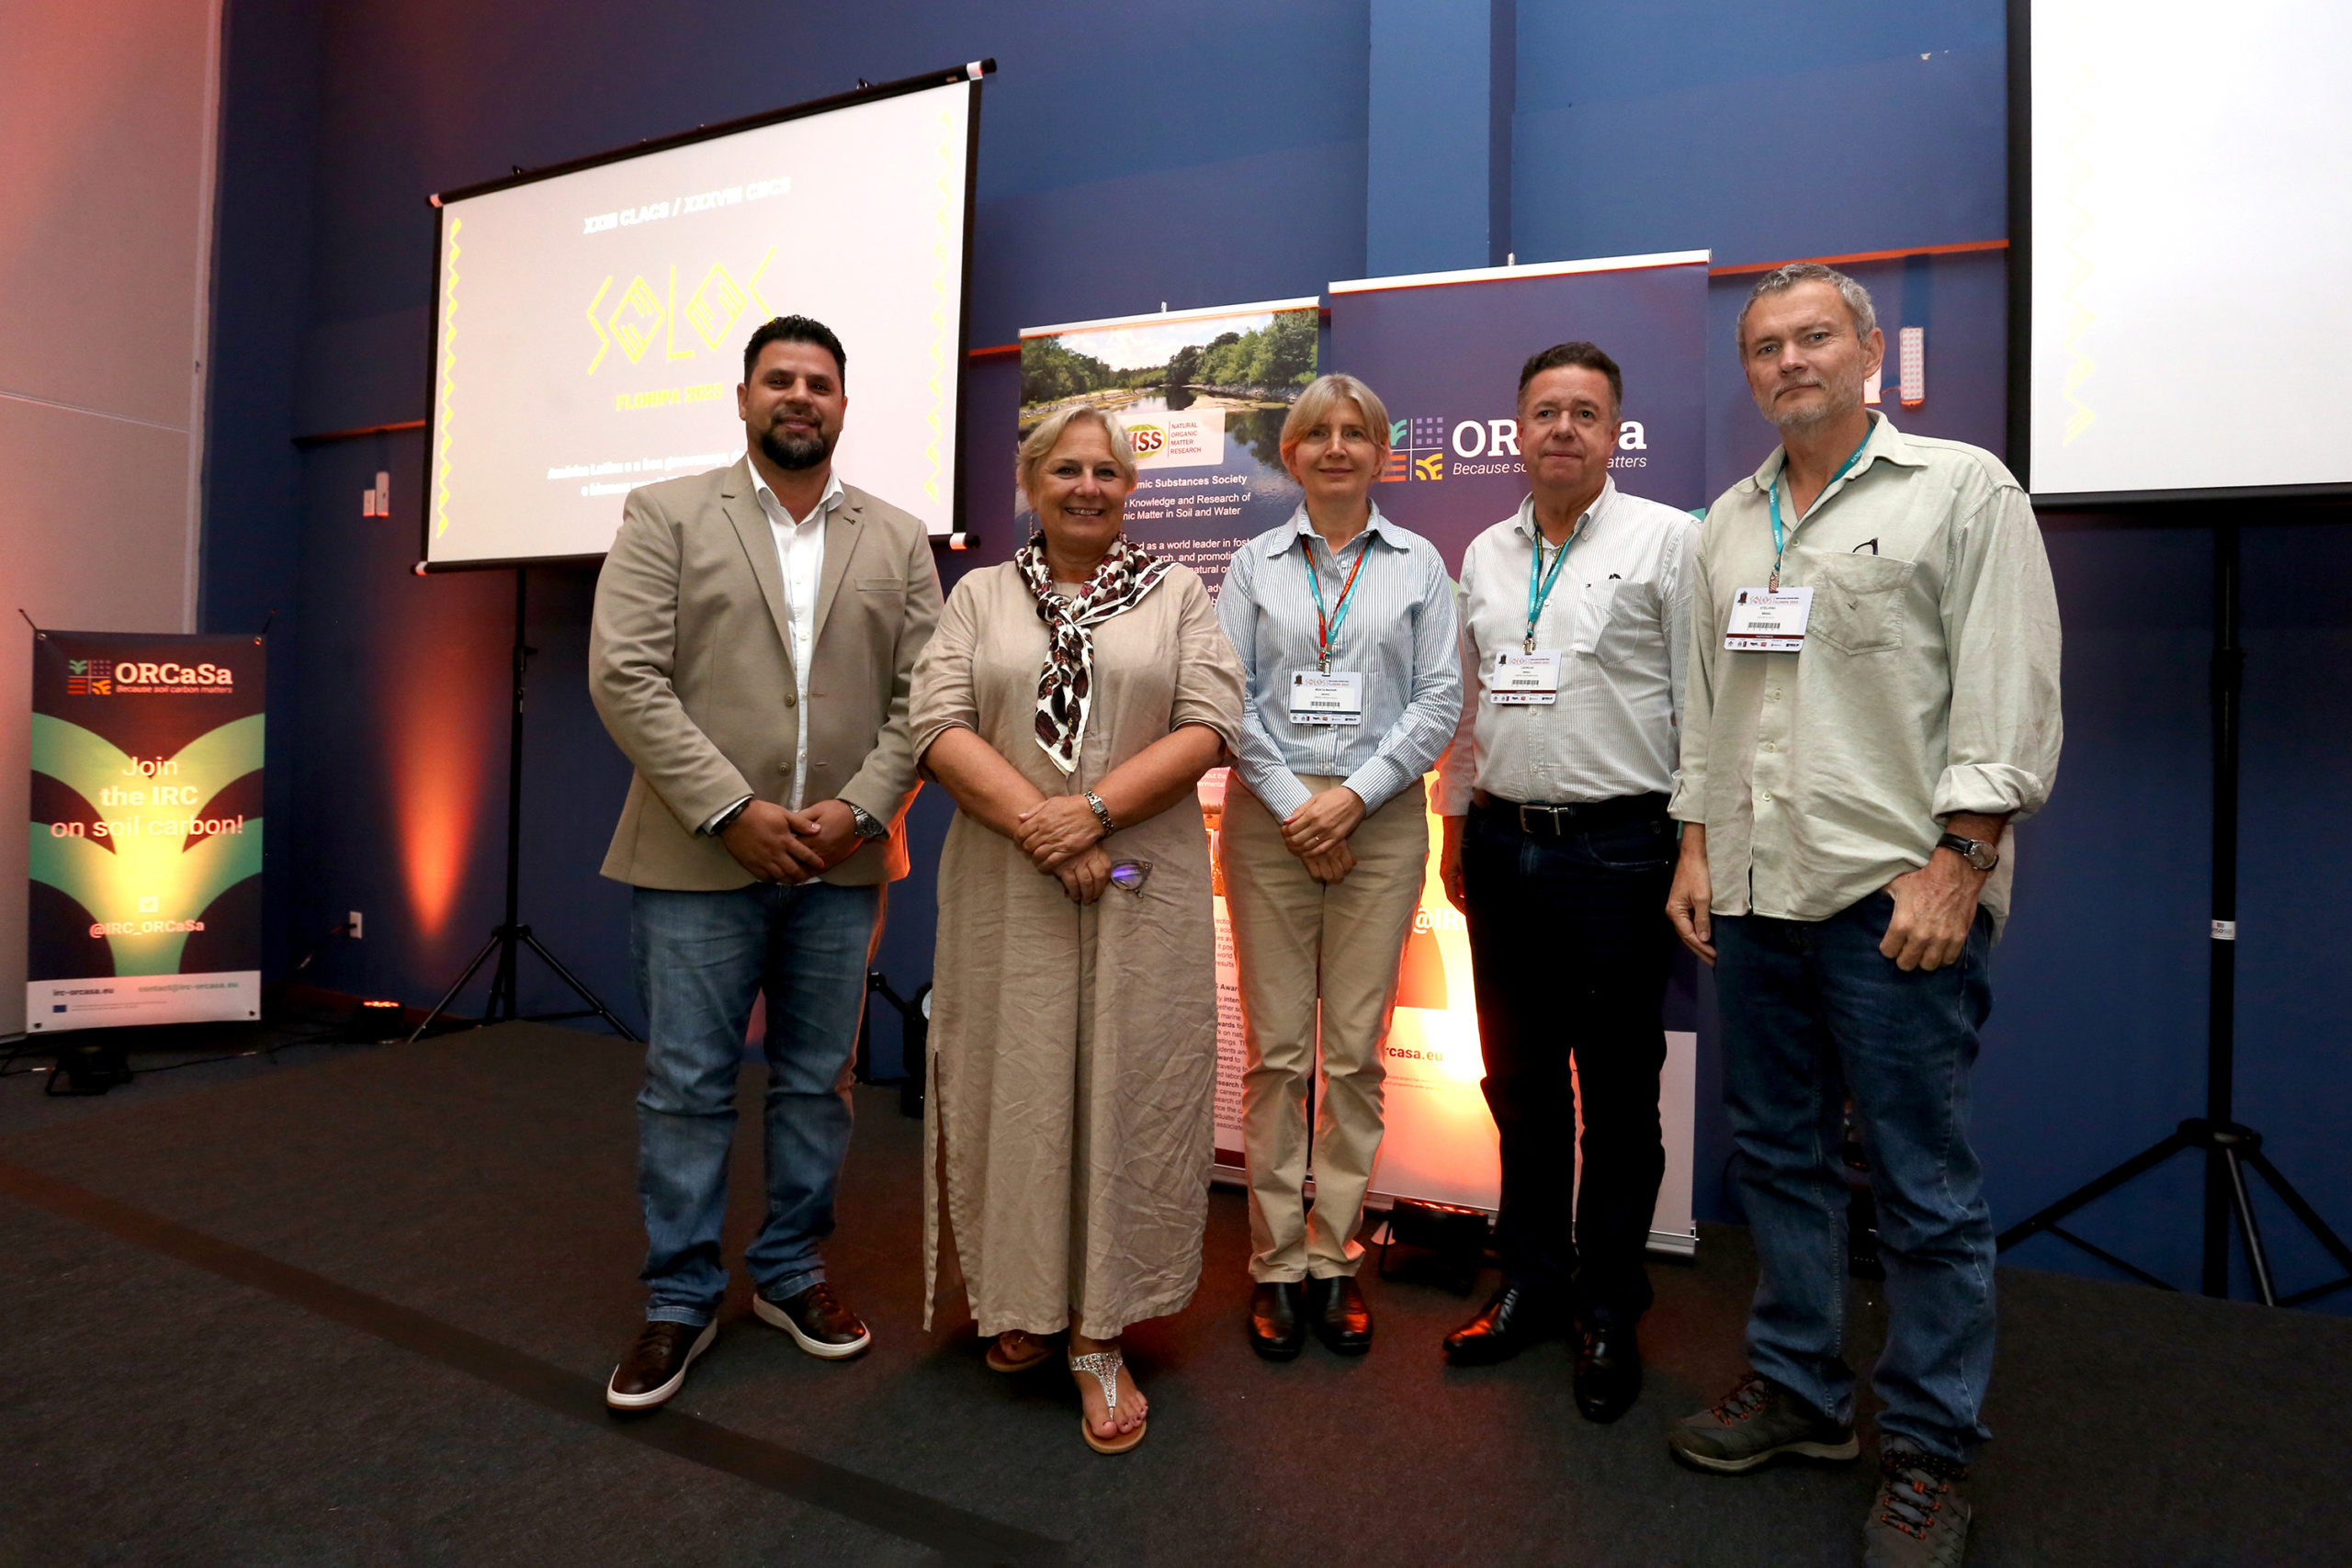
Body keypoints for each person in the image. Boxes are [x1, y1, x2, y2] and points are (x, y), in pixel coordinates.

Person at [1663, 264, 2061, 1567]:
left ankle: (1930, 1451)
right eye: (1764, 344)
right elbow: (1708, 704)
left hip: (1897, 901)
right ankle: (1802, 1390)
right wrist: (1696, 846)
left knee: (1920, 1186)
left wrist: (1962, 862)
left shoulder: (1960, 489)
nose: (1789, 360)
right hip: (1757, 891)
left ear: (1869, 350)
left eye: (1814, 335)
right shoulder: (1727, 524)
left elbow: (2008, 691)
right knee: (1777, 1156)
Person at [589, 314, 941, 1409]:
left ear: (844, 406)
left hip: (843, 862)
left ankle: (790, 1273)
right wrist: (730, 810)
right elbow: (625, 676)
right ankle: (679, 1299)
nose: (799, 396)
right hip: (696, 858)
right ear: (742, 398)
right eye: (778, 379)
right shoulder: (666, 514)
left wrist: (863, 810)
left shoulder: (898, 537)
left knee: (817, 1084)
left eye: (818, 383)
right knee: (687, 1086)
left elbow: (927, 697)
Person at [909, 404, 1243, 1455]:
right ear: (1030, 484)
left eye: (1105, 471)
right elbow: (936, 724)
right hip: (1006, 890)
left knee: (1126, 1094)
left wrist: (1091, 815)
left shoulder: (1178, 593)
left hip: (1141, 887)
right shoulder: (979, 596)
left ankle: (1099, 1333)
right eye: (1066, 470)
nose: (1087, 486)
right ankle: (1023, 1299)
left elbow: (1210, 723)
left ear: (1130, 490)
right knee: (1016, 1092)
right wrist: (1044, 829)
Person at [1432, 343, 1698, 1423]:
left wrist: (1696, 846)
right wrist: (1455, 824)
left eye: (1585, 413)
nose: (1563, 429)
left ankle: (1607, 1307)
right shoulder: (1485, 551)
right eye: (1545, 411)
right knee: (1519, 1086)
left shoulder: (1667, 541)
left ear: (1614, 431)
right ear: (1517, 428)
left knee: (1619, 1099)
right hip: (1503, 848)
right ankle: (1533, 1282)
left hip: (1619, 852)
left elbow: (1705, 704)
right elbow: (1468, 704)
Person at [1216, 373, 1463, 1360]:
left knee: (1355, 1054)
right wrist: (1296, 804)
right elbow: (1227, 699)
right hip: (1269, 819)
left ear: (1381, 453)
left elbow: (1439, 700)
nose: (1335, 448)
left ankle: (1333, 1256)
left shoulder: (1419, 564)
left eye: (1355, 433)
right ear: (1290, 454)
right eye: (1316, 433)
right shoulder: (1251, 567)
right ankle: (1276, 1263)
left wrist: (1352, 798)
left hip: (1381, 818)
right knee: (1278, 1054)